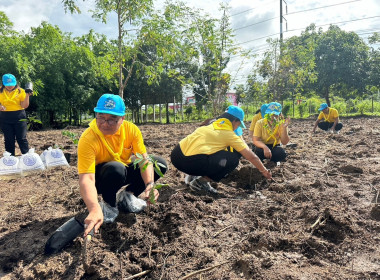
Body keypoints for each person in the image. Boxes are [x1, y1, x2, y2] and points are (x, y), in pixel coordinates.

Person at [78, 94, 168, 236]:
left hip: (121, 171)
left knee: (159, 164)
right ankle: (109, 205)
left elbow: (144, 160)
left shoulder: (131, 130)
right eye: (101, 117)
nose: (105, 123)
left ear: (122, 119)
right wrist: (94, 208)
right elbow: (87, 179)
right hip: (101, 179)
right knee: (115, 169)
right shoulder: (88, 138)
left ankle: (127, 196)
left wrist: (150, 185)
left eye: (112, 120)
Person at [170, 105, 272, 194]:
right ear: (234, 121)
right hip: (191, 163)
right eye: (238, 124)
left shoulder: (209, 126)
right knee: (233, 160)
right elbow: (251, 156)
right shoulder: (228, 134)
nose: (237, 128)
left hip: (176, 156)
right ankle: (200, 182)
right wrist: (264, 171)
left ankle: (193, 175)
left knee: (209, 152)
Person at [0, 74, 33, 156]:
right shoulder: (0, 90)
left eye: (12, 84)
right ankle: (11, 160)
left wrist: (27, 96)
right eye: (7, 85)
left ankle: (27, 158)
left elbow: (24, 106)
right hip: (5, 117)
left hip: (19, 116)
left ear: (15, 83)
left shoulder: (21, 91)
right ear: (3, 83)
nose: (10, 86)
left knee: (21, 138)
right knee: (8, 140)